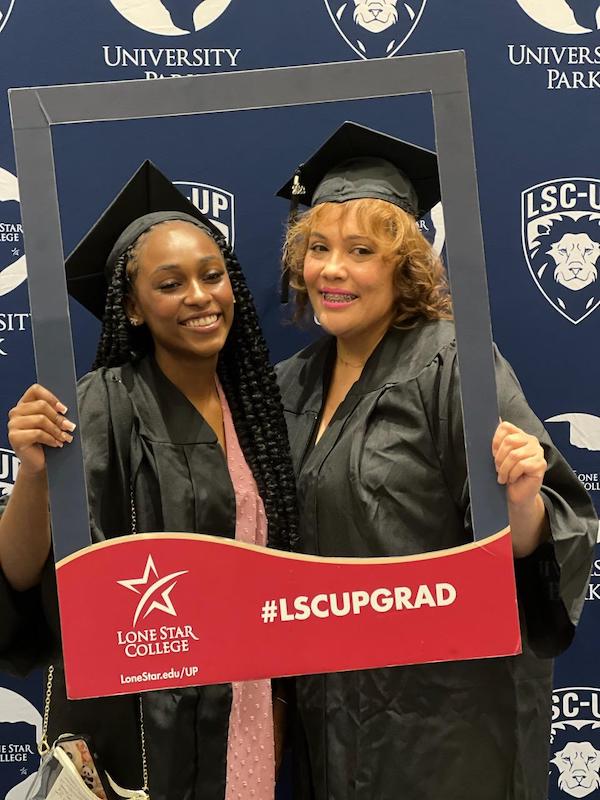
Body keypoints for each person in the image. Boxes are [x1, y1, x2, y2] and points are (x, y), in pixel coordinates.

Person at [276, 121, 597, 800]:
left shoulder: (455, 363)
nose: (331, 269)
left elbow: (553, 535)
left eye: (360, 250)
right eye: (318, 247)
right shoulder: (287, 386)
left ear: (404, 265)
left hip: (442, 720)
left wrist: (523, 504)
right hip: (324, 710)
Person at [0, 161, 297, 800]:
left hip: (244, 707)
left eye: (211, 275)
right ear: (131, 307)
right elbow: (22, 574)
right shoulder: (101, 405)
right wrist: (32, 475)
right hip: (140, 727)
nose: (198, 295)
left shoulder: (260, 414)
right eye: (170, 283)